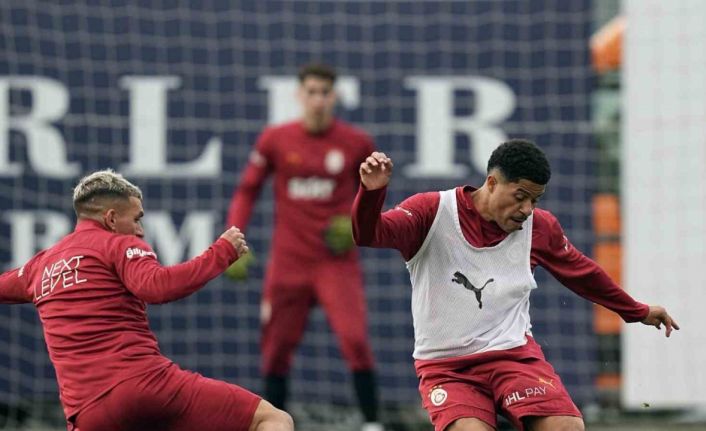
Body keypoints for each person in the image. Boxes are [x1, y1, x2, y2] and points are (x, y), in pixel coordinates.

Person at [351, 140, 679, 431]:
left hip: (514, 358)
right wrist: (371, 192)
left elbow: (582, 273)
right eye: (520, 197)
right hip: (448, 368)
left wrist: (636, 311)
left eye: (535, 200)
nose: (527, 209)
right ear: (492, 183)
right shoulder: (431, 211)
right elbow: (368, 234)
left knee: (566, 426)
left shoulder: (540, 228)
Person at [0, 170, 293, 431]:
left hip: (86, 414)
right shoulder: (118, 243)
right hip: (144, 386)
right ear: (111, 218)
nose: (140, 230)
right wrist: (222, 252)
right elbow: (157, 286)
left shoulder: (40, 267)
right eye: (137, 218)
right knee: (272, 420)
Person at [225, 63, 382, 431]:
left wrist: (358, 223)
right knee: (276, 351)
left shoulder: (356, 142)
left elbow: (375, 191)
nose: (318, 100)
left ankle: (373, 424)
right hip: (289, 263)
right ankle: (275, 425)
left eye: (324, 93)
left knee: (356, 341)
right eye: (311, 92)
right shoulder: (275, 139)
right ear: (299, 95)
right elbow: (247, 190)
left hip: (335, 262)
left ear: (335, 96)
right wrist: (233, 238)